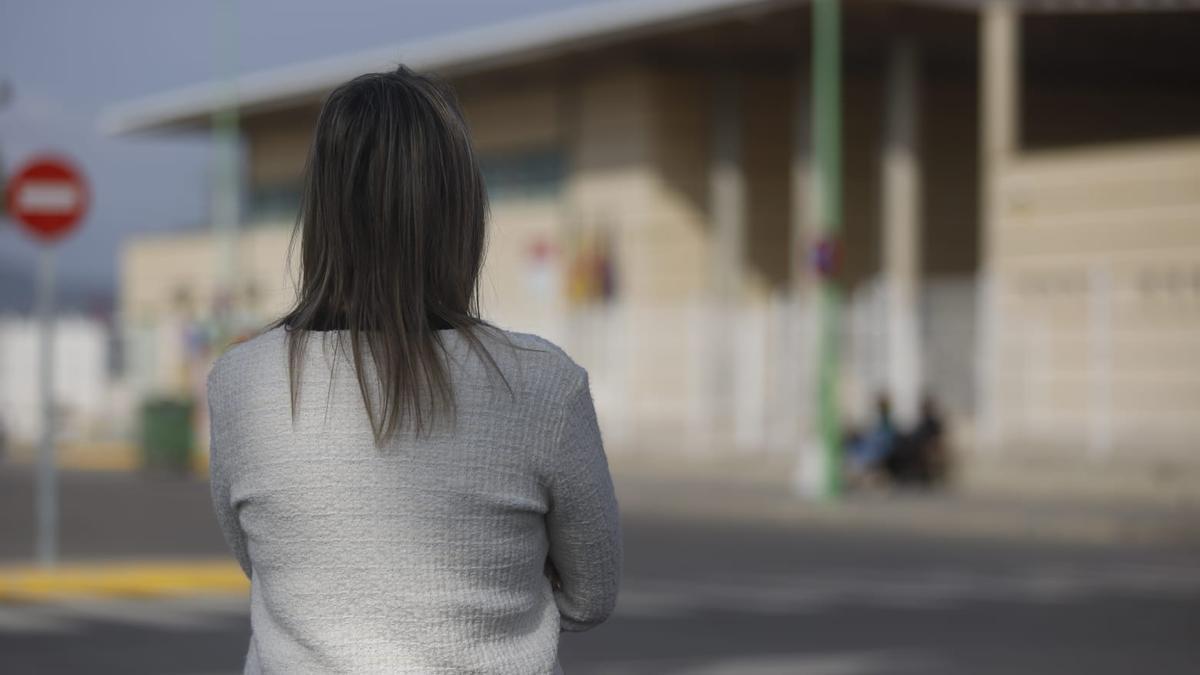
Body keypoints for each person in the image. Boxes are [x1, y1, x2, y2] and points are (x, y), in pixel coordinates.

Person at [206, 66, 622, 675]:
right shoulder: (543, 385)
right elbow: (591, 597)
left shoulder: (241, 383)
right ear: (462, 213)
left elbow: (261, 562)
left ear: (321, 212)